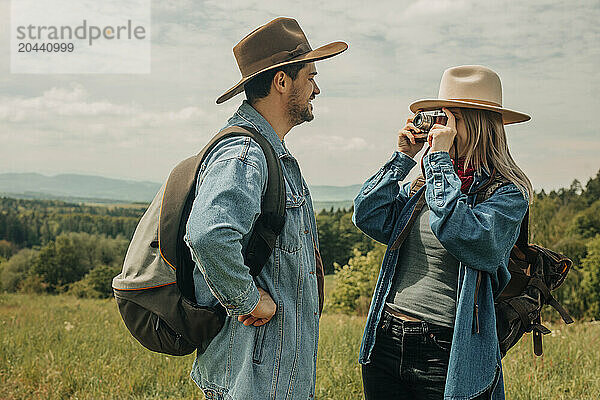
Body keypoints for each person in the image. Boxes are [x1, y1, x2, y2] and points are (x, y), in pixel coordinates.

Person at [183, 17, 347, 400]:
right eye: (310, 76)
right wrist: (249, 299)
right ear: (281, 81)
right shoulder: (246, 152)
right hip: (254, 381)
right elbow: (208, 234)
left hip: (271, 377)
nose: (316, 88)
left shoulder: (268, 152)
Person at [353, 65, 532, 400]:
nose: (436, 127)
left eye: (446, 119)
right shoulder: (428, 185)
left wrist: (438, 163)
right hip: (386, 338)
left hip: (447, 352)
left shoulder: (507, 193)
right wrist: (403, 157)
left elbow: (467, 238)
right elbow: (368, 215)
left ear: (476, 123)